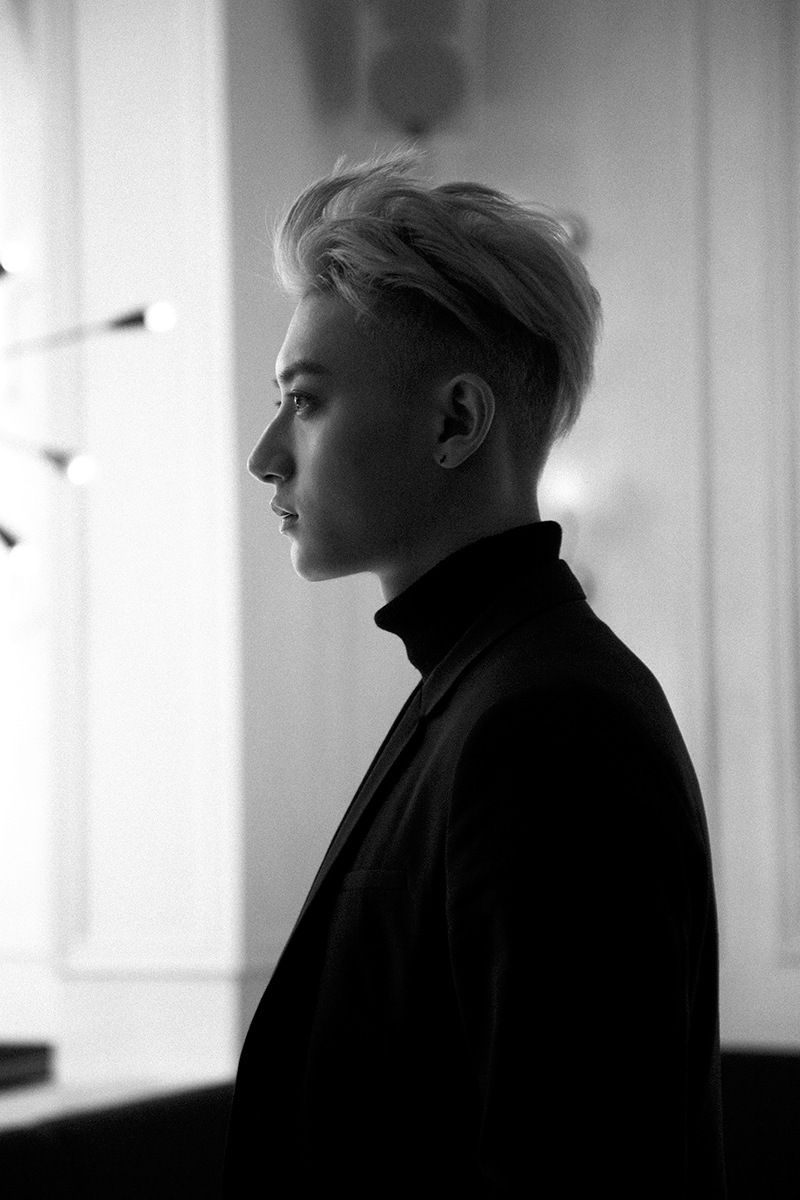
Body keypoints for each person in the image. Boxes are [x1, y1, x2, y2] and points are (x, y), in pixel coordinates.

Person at [222, 152, 726, 1198]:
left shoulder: (547, 724)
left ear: (455, 422)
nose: (266, 454)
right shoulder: (487, 688)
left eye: (305, 401)